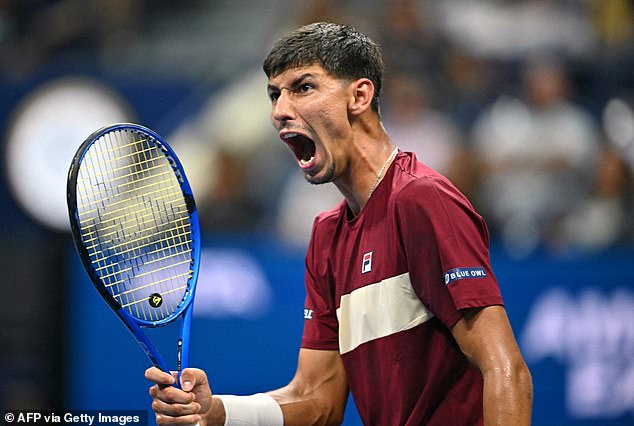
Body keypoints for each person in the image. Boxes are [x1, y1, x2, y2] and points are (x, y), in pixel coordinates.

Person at [145, 22, 533, 425]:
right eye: (275, 95)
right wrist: (218, 412)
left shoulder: (423, 200)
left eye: (303, 87)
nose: (279, 111)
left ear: (359, 96)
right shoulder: (326, 237)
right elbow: (318, 399)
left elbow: (506, 370)